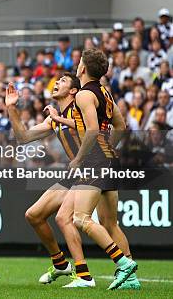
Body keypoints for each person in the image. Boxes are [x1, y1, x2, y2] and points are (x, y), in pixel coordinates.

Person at [6, 73, 138, 289]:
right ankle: (60, 264)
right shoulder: (55, 118)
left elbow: (91, 127)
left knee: (70, 218)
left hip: (92, 166)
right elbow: (23, 137)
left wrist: (59, 119)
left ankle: (85, 275)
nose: (56, 82)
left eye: (63, 81)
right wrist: (11, 108)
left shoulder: (79, 106)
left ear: (73, 91)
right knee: (34, 214)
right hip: (78, 172)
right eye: (56, 80)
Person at [64, 48, 138, 290]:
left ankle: (123, 264)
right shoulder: (105, 92)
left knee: (81, 218)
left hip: (95, 160)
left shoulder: (84, 95)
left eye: (79, 63)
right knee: (109, 222)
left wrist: (79, 158)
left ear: (82, 68)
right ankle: (132, 279)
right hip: (108, 159)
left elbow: (93, 129)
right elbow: (121, 124)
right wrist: (108, 146)